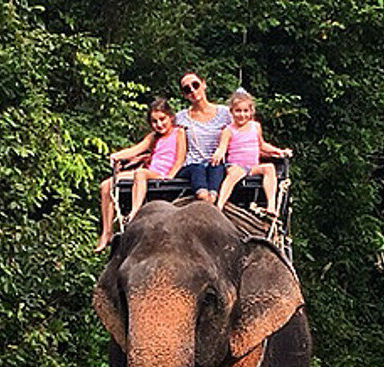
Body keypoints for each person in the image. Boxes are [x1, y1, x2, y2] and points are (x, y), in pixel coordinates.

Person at [96, 98, 187, 252]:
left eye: (162, 119)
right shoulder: (153, 137)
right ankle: (107, 231)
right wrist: (116, 156)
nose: (159, 125)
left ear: (170, 117)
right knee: (106, 185)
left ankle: (135, 212)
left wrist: (171, 176)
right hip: (149, 172)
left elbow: (180, 158)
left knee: (140, 173)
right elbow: (136, 149)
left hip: (162, 174)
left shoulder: (179, 133)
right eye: (154, 121)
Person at [212, 88, 293, 215]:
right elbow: (222, 147)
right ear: (232, 112)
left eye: (245, 111)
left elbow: (261, 145)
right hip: (236, 165)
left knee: (270, 168)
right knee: (233, 174)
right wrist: (219, 153)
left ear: (251, 112)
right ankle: (219, 205)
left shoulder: (255, 127)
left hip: (253, 166)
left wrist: (279, 151)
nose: (242, 115)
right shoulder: (228, 130)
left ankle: (271, 205)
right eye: (238, 111)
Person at [175, 72, 232, 203]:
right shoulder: (182, 117)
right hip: (193, 165)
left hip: (216, 163)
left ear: (204, 84)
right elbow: (179, 149)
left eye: (195, 85)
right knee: (197, 168)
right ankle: (203, 196)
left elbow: (241, 132)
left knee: (217, 167)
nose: (193, 91)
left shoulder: (225, 113)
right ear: (184, 95)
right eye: (187, 89)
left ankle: (212, 198)